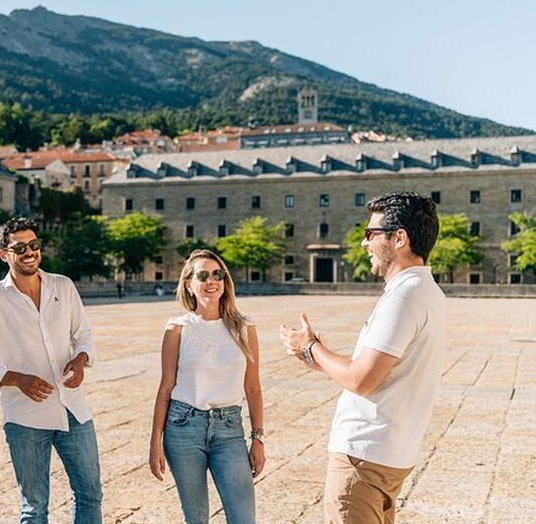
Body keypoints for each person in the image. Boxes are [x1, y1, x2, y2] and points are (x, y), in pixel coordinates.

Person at [278, 191, 446, 524]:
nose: (363, 243)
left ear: (399, 238)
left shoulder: (403, 296)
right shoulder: (427, 291)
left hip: (363, 458)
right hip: (389, 454)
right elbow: (380, 372)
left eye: (371, 234)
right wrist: (320, 358)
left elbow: (361, 379)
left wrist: (310, 347)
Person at [0, 217, 103, 523]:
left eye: (35, 245)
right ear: (4, 254)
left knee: (91, 495)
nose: (30, 252)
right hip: (25, 416)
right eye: (20, 247)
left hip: (74, 409)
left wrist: (80, 360)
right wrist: (17, 379)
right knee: (34, 507)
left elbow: (85, 335)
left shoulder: (63, 286)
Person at [149, 249, 265, 524]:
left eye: (218, 274)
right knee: (197, 518)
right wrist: (155, 442)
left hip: (229, 430)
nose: (211, 281)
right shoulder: (177, 329)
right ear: (188, 284)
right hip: (183, 428)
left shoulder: (244, 328)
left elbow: (253, 388)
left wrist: (258, 438)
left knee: (243, 518)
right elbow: (165, 388)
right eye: (203, 275)